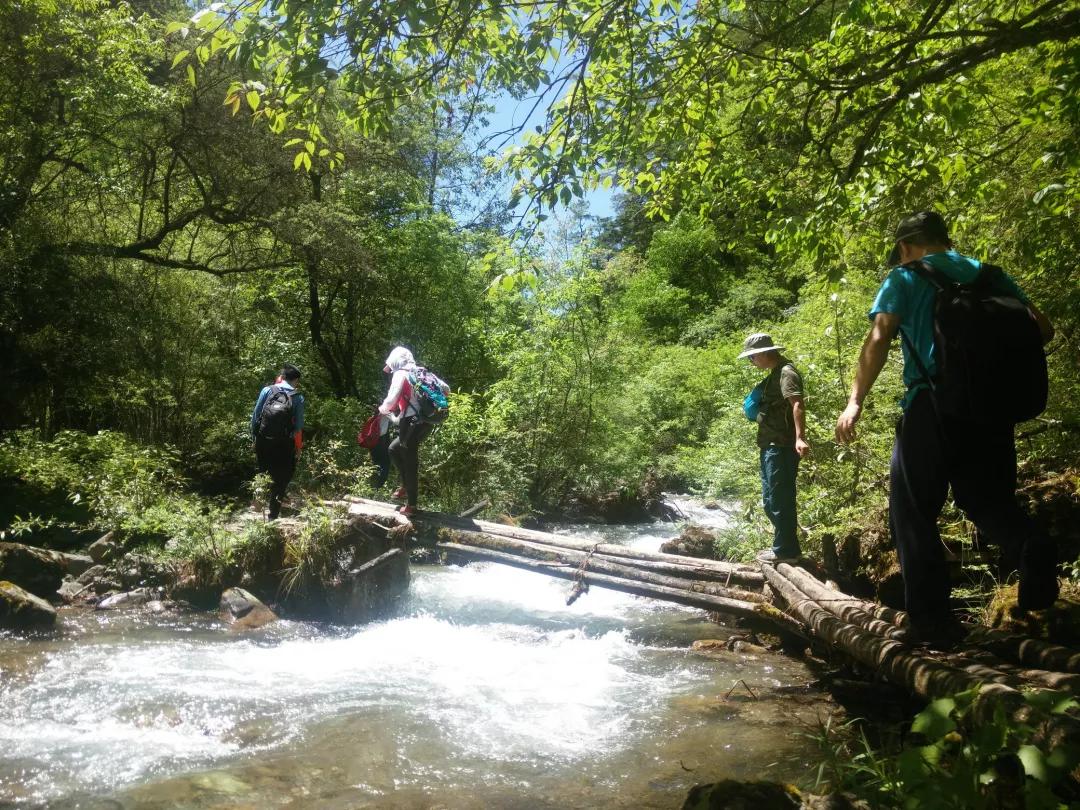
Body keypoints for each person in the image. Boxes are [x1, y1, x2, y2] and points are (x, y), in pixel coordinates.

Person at [835, 211, 1057, 646]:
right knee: (987, 500)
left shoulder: (903, 277)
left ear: (904, 246)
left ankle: (933, 621)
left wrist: (855, 401)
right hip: (992, 410)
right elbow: (1042, 329)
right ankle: (1031, 543)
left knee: (914, 511)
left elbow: (880, 337)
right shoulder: (989, 274)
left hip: (931, 406)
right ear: (943, 239)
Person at [739, 333, 810, 563]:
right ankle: (786, 547)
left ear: (763, 353)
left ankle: (786, 552)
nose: (752, 362)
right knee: (771, 500)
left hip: (782, 445)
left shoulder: (786, 373)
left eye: (752, 357)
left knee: (780, 499)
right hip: (770, 445)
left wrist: (800, 438)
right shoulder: (774, 374)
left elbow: (797, 403)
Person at [379, 346, 448, 517]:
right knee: (394, 449)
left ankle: (412, 505)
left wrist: (382, 409)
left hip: (410, 422)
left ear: (395, 360)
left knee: (410, 461)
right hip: (426, 422)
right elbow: (446, 389)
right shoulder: (421, 372)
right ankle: (405, 486)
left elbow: (391, 400)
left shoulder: (400, 374)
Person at [251, 364, 305, 520]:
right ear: (296, 380)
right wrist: (298, 447)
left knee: (263, 470)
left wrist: (255, 439)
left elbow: (255, 416)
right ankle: (273, 516)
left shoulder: (267, 390)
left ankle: (258, 501)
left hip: (263, 439)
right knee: (282, 478)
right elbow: (298, 427)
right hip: (283, 444)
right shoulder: (297, 397)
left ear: (282, 376)